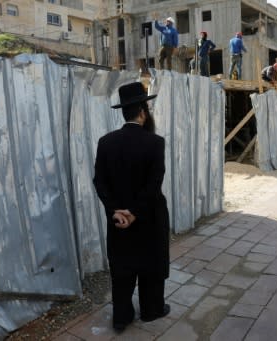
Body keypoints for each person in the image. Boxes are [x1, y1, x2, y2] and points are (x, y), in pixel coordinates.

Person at [93, 82, 170, 332]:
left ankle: (121, 317)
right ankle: (151, 309)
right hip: (149, 217)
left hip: (119, 222)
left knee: (122, 268)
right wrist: (135, 212)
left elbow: (99, 182)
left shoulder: (106, 142)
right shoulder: (155, 143)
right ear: (143, 112)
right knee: (151, 264)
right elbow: (153, 184)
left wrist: (116, 211)